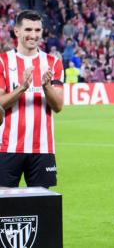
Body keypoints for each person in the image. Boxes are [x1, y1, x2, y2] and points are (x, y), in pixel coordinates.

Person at [0, 10, 64, 188]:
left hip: (42, 148)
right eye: (28, 29)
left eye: (37, 30)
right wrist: (22, 88)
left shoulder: (53, 63)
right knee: (4, 206)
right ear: (17, 31)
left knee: (42, 207)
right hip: (8, 147)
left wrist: (46, 86)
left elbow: (58, 106)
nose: (33, 35)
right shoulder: (3, 62)